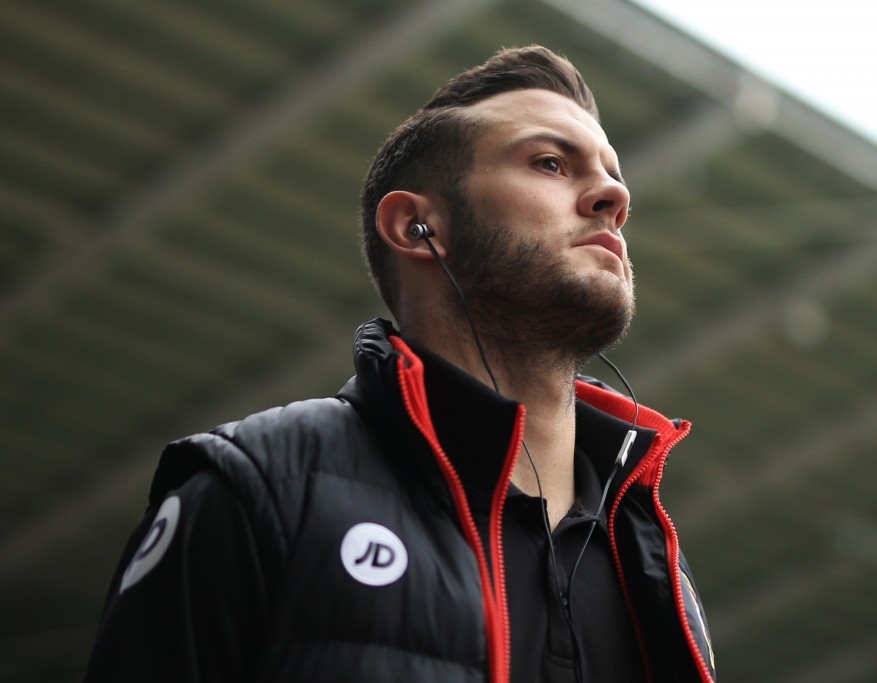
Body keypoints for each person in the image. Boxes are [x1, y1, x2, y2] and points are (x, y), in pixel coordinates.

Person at [85, 45, 716, 683]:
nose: (614, 194)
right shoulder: (261, 485)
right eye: (551, 163)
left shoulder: (658, 566)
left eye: (613, 174)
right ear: (418, 226)